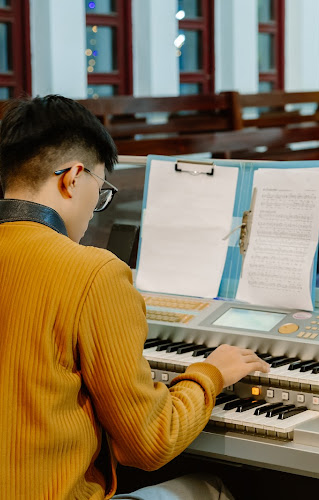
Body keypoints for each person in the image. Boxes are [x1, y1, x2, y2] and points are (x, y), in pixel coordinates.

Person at [0, 95, 270, 500]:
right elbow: (148, 443)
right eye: (100, 191)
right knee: (212, 488)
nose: (95, 209)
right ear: (72, 178)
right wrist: (210, 374)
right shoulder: (93, 272)